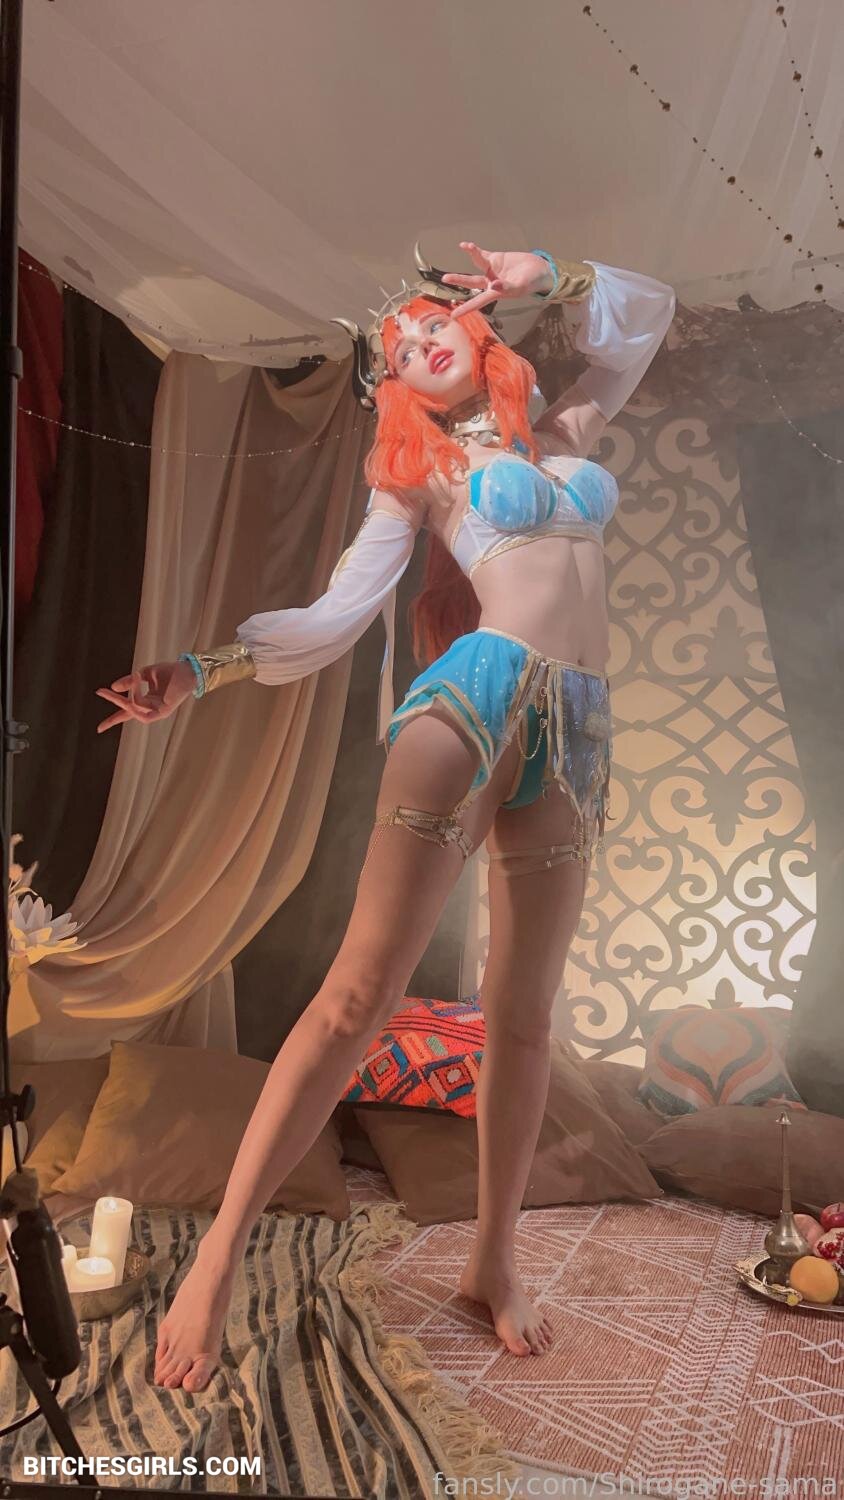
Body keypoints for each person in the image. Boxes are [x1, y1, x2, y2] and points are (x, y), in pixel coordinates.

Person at [96, 242, 675, 1387]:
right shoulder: (417, 473)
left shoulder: (560, 432)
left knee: (523, 1018)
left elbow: (642, 319)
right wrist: (202, 671)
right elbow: (335, 613)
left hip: (577, 724)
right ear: (395, 384)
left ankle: (493, 1262)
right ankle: (217, 1259)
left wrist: (547, 271)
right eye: (399, 348)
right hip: (472, 700)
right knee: (357, 996)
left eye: (431, 323)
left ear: (477, 328)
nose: (419, 343)